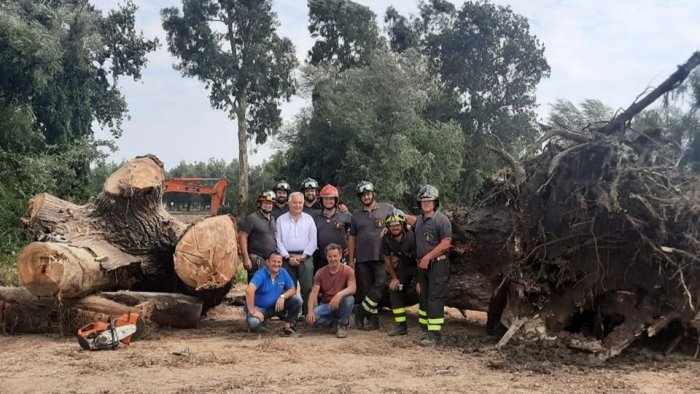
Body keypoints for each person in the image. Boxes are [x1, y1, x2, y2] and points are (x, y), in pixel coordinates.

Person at [348, 180, 394, 331]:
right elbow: (352, 238)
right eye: (363, 195)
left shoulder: (387, 208)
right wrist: (351, 260)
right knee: (367, 290)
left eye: (368, 194)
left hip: (382, 257)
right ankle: (373, 322)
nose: (366, 197)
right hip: (362, 258)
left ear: (373, 194)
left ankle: (361, 312)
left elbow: (400, 221)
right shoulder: (355, 215)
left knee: (380, 285)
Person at [414, 185, 452, 347]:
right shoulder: (420, 221)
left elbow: (446, 243)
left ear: (435, 202)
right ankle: (426, 328)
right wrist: (388, 226)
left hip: (438, 264)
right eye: (423, 201)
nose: (426, 203)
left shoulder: (441, 220)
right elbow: (408, 220)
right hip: (423, 266)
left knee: (435, 298)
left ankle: (434, 334)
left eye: (429, 200)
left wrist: (428, 257)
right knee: (424, 296)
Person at [276, 191, 317, 316]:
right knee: (289, 288)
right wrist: (288, 257)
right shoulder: (281, 220)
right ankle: (290, 315)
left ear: (303, 204)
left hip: (305, 257)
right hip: (287, 257)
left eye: (300, 203)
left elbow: (313, 240)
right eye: (294, 202)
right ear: (289, 204)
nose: (297, 205)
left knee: (307, 287)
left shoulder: (309, 219)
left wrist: (303, 256)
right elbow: (278, 241)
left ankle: (307, 313)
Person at [244, 252, 302, 336]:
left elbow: (292, 289)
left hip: (277, 307)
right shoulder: (261, 274)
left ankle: (288, 326)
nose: (276, 264)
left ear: (282, 263)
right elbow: (249, 290)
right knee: (254, 323)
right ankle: (258, 323)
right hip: (260, 308)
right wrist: (252, 311)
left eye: (279, 262)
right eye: (274, 261)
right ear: (267, 262)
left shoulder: (283, 272)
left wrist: (283, 296)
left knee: (297, 299)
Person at [306, 243, 356, 338]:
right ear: (326, 257)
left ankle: (342, 325)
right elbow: (313, 294)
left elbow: (353, 288)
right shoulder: (320, 273)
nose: (333, 259)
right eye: (330, 256)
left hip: (340, 304)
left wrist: (339, 295)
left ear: (340, 256)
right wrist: (310, 311)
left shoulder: (348, 271)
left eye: (335, 256)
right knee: (312, 318)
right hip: (327, 306)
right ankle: (333, 322)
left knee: (350, 299)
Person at [382, 209, 418, 336]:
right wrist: (394, 278)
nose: (395, 228)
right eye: (392, 226)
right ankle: (401, 325)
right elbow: (387, 259)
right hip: (404, 265)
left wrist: (420, 281)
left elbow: (419, 259)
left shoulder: (412, 237)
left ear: (402, 224)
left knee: (423, 290)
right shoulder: (386, 239)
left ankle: (427, 326)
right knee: (394, 289)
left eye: (397, 225)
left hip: (418, 264)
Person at [238, 190, 277, 282]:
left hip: (270, 260)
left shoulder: (273, 219)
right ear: (260, 203)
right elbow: (242, 236)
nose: (268, 205)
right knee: (256, 286)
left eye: (270, 203)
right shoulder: (252, 218)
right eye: (266, 203)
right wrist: (246, 258)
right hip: (257, 260)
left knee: (269, 286)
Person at [312, 184, 351, 274]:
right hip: (321, 258)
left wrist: (351, 247)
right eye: (326, 199)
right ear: (321, 200)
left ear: (336, 200)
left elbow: (356, 231)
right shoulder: (315, 216)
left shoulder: (345, 214)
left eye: (331, 199)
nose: (328, 201)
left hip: (342, 258)